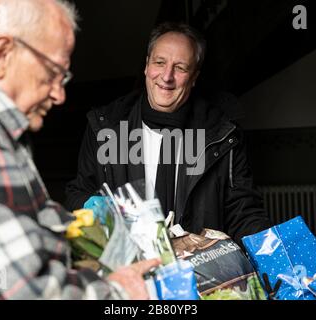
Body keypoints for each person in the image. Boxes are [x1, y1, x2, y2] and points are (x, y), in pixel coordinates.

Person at [0, 0, 159, 300]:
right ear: (1, 53)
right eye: (54, 72)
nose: (60, 94)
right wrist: (119, 293)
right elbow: (12, 291)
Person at [65, 22, 271, 247]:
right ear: (146, 66)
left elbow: (244, 212)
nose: (167, 76)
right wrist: (89, 204)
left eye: (180, 68)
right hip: (127, 269)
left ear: (194, 77)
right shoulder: (105, 126)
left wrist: (276, 254)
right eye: (159, 63)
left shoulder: (222, 135)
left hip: (199, 272)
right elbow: (79, 190)